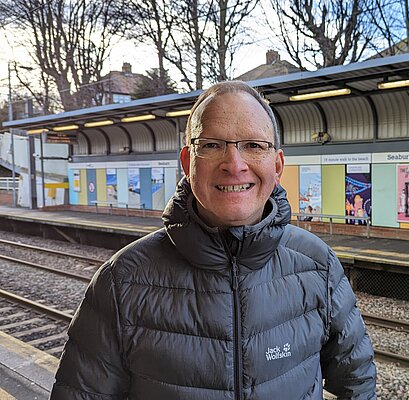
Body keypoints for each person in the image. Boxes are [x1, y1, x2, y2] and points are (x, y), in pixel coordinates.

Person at [50, 81, 377, 400]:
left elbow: (356, 378)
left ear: (277, 165)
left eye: (253, 145)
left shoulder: (319, 266)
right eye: (210, 144)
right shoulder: (120, 283)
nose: (234, 165)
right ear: (187, 164)